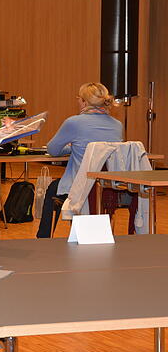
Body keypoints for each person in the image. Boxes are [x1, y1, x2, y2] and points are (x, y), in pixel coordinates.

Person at [36, 82, 122, 238]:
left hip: (80, 185)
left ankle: (43, 238)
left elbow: (53, 150)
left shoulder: (74, 122)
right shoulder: (117, 125)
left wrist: (72, 146)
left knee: (52, 190)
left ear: (84, 102)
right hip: (107, 186)